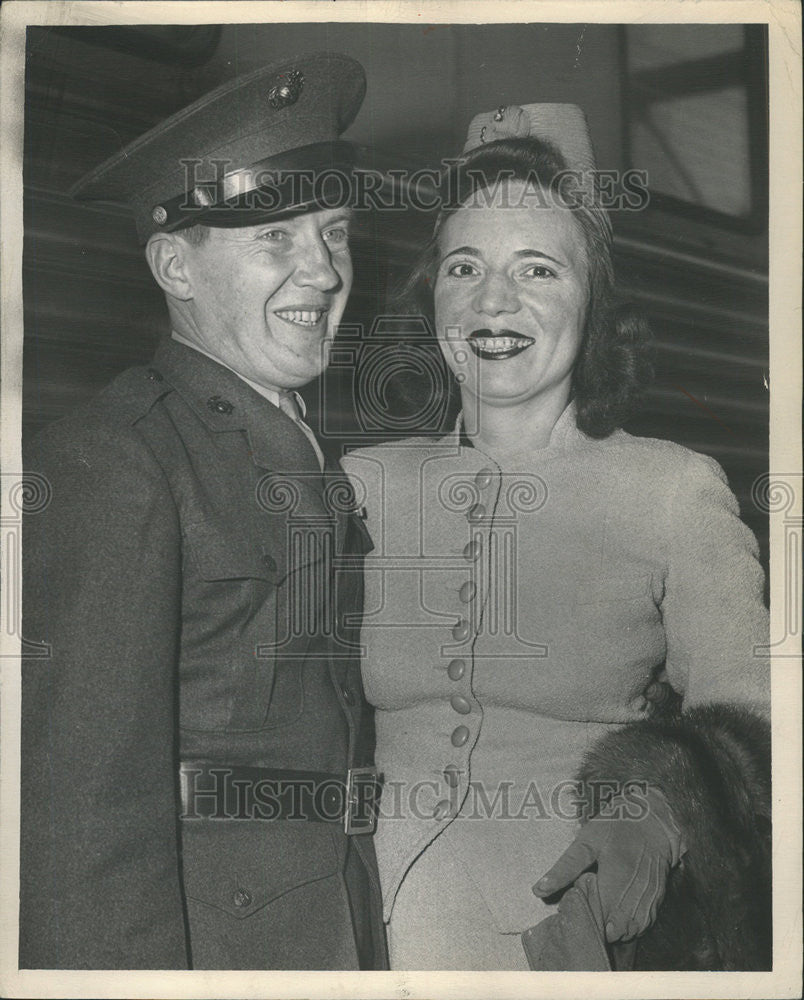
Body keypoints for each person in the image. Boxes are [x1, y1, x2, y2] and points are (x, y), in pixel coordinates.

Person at [341, 104, 770, 970]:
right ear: (433, 296)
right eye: (466, 266)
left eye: (538, 269)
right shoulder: (357, 484)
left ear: (595, 303)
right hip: (350, 916)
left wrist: (657, 808)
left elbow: (762, 713)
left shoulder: (672, 488)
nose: (494, 300)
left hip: (566, 929)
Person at [20, 53, 387, 971]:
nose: (323, 270)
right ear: (174, 264)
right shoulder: (118, 459)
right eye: (274, 238)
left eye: (335, 231)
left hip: (331, 930)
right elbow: (83, 817)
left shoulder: (297, 442)